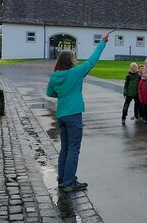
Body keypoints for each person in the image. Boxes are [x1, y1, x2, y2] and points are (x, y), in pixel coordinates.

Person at [46, 34, 109, 192]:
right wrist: (103, 42)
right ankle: (69, 183)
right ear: (70, 61)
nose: (75, 60)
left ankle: (62, 179)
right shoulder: (75, 73)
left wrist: (64, 94)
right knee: (74, 148)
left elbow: (50, 93)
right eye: (73, 58)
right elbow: (92, 60)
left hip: (61, 115)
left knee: (65, 148)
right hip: (74, 115)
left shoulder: (55, 76)